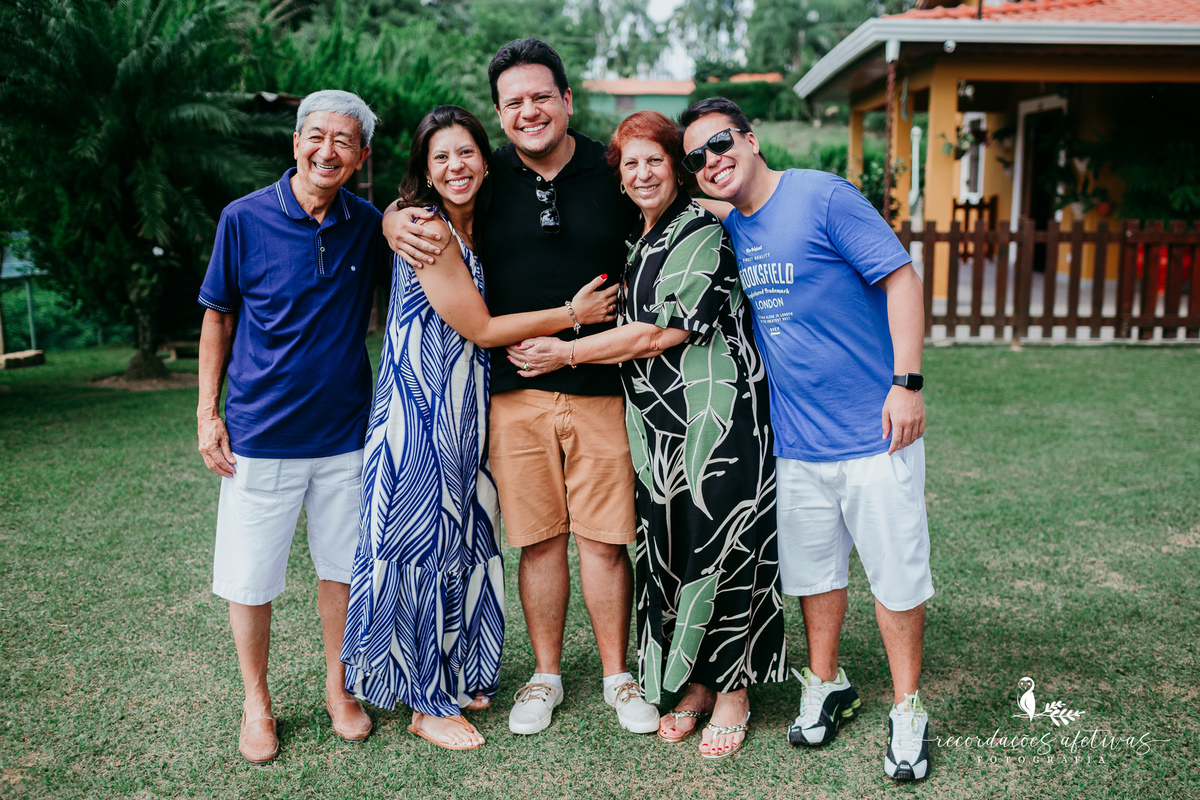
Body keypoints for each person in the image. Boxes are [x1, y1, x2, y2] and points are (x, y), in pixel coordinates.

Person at [383, 39, 659, 737]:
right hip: (511, 394)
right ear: (499, 114)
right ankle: (545, 676)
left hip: (603, 387)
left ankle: (617, 676)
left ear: (566, 99)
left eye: (541, 96)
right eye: (513, 102)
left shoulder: (610, 168)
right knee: (538, 541)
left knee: (605, 540)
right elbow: (423, 198)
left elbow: (672, 205)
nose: (529, 111)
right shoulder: (487, 175)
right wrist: (391, 217)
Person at [508, 111, 786, 760]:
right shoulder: (642, 235)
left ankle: (734, 693)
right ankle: (696, 684)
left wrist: (564, 352)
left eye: (654, 160)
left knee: (724, 548)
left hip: (717, 421)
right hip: (661, 431)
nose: (641, 174)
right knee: (679, 551)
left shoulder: (700, 231)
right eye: (629, 164)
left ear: (678, 169)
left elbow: (661, 332)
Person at [339, 105, 618, 750]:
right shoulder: (428, 230)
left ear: (485, 161)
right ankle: (424, 702)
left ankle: (456, 674)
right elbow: (483, 328)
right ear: (425, 171)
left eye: (465, 152)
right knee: (417, 550)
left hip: (466, 411)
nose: (455, 166)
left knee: (459, 544)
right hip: (418, 414)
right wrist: (572, 314)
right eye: (440, 157)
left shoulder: (475, 221)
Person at [680, 97, 934, 781]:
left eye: (721, 142)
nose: (712, 160)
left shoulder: (822, 196)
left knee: (896, 575)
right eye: (697, 157)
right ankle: (827, 684)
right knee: (815, 576)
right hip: (795, 442)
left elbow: (901, 277)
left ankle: (908, 706)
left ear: (751, 138)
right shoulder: (732, 223)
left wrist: (907, 382)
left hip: (875, 432)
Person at [196, 90, 383, 764]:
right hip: (260, 434)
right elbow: (218, 316)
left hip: (346, 434)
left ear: (361, 156)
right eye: (317, 136)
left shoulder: (370, 224)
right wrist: (207, 413)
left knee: (343, 572)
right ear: (296, 141)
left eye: (344, 141)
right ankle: (256, 702)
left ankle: (340, 689)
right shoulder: (243, 218)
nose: (327, 151)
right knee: (249, 579)